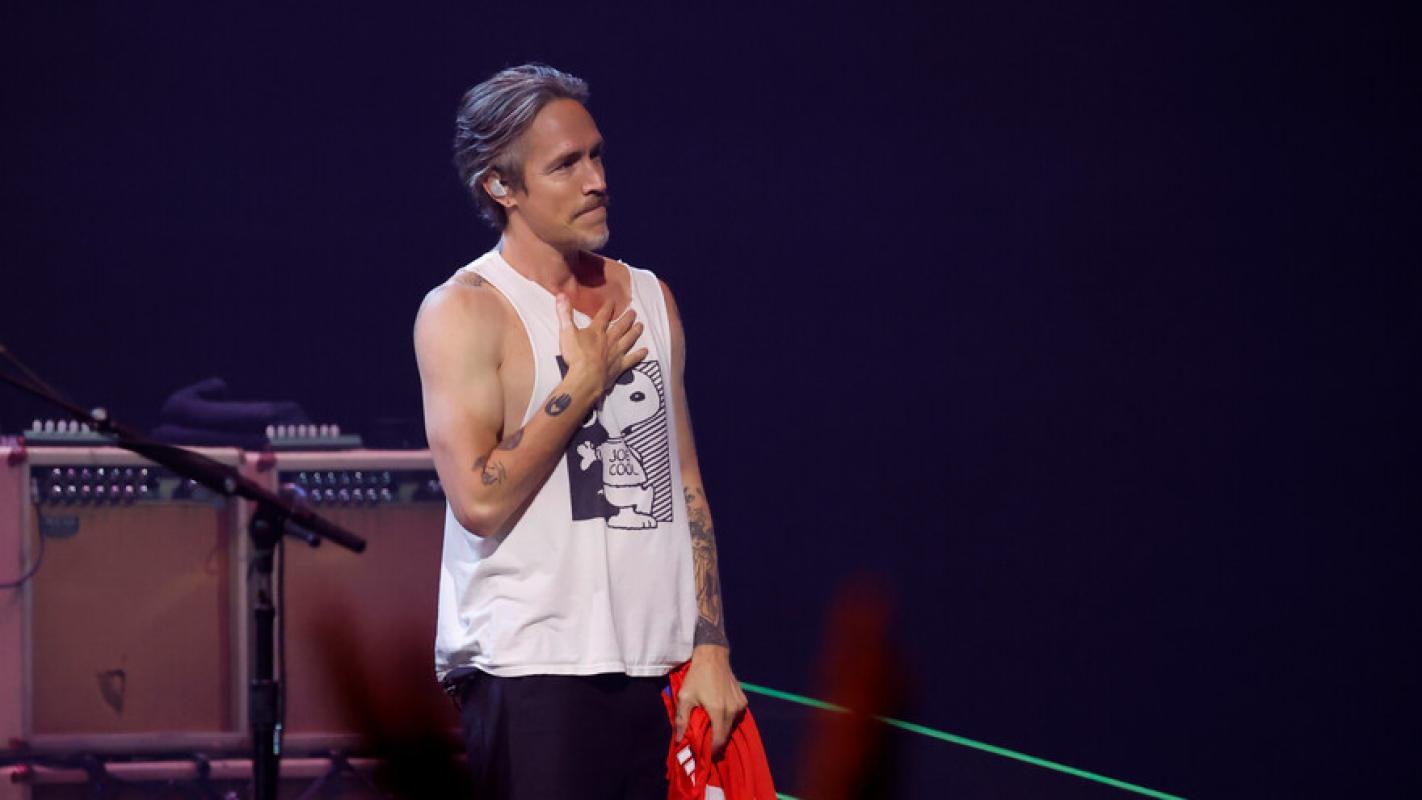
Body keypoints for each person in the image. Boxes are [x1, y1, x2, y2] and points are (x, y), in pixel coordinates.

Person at [413, 64, 747, 798]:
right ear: (501, 187)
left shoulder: (651, 296)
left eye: (596, 156)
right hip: (533, 672)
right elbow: (479, 500)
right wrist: (581, 383)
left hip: (660, 669)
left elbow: (685, 483)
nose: (596, 180)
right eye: (566, 164)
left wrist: (711, 645)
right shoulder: (465, 309)